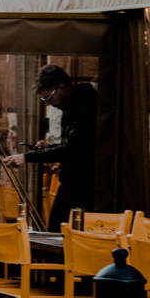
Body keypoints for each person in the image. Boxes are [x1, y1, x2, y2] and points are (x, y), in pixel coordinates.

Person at [31, 64, 98, 225]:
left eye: (48, 98)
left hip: (83, 186)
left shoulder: (86, 107)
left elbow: (73, 150)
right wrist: (51, 147)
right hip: (70, 183)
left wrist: (27, 157)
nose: (48, 104)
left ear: (61, 88)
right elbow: (74, 144)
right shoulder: (71, 107)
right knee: (54, 230)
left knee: (60, 233)